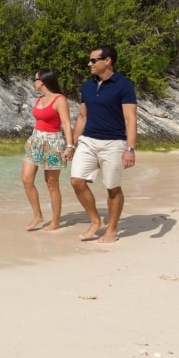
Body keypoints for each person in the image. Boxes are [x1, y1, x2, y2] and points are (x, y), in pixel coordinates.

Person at [67, 45, 138, 243]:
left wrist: (129, 149)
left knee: (112, 187)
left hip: (114, 142)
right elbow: (82, 117)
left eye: (93, 60)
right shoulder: (87, 85)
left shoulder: (124, 85)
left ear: (107, 61)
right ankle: (95, 221)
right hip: (88, 140)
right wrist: (71, 144)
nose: (89, 64)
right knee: (76, 180)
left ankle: (112, 229)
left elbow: (130, 119)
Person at [21, 69, 74, 231]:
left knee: (51, 184)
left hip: (53, 143)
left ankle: (56, 221)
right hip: (36, 141)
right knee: (26, 179)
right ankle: (38, 215)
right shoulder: (39, 100)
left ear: (42, 81)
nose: (33, 82)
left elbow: (66, 124)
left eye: (34, 79)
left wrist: (70, 146)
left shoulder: (60, 100)